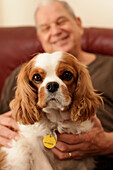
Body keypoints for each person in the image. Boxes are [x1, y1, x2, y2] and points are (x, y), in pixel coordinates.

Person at [0, 0, 113, 169]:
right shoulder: (20, 74)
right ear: (39, 37)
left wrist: (107, 144)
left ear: (79, 24)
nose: (55, 31)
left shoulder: (110, 67)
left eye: (61, 22)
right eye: (45, 28)